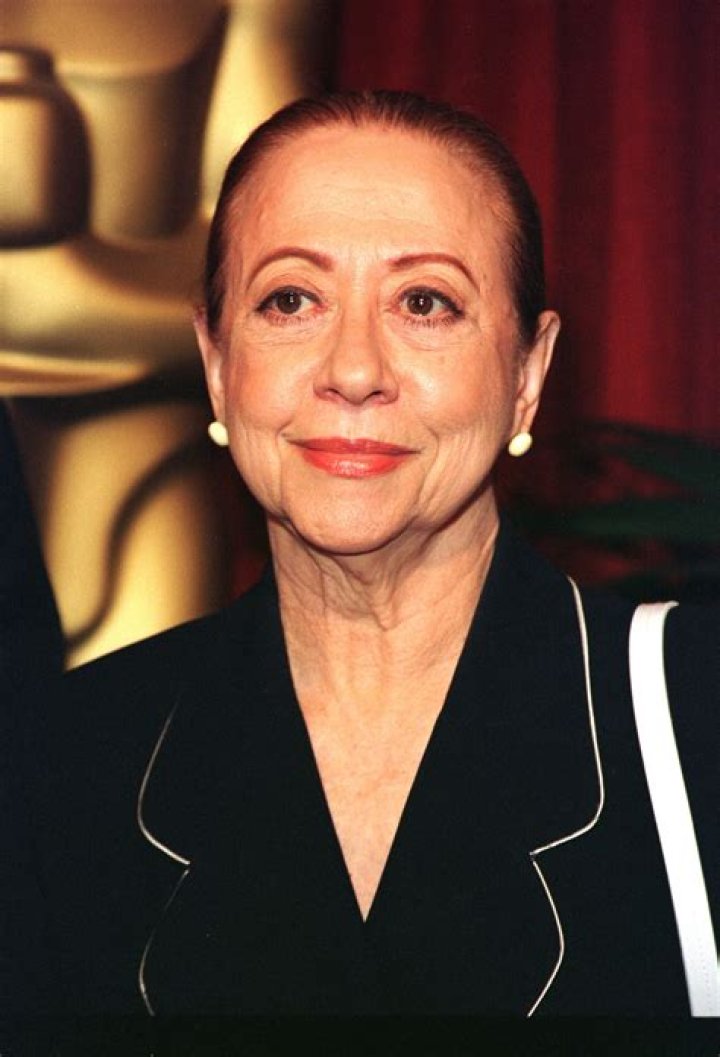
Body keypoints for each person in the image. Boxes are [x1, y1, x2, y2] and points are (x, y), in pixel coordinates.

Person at [4, 90, 717, 1019]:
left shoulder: (695, 711)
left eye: (425, 303)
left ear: (528, 374)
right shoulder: (58, 762)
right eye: (291, 299)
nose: (352, 370)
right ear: (217, 363)